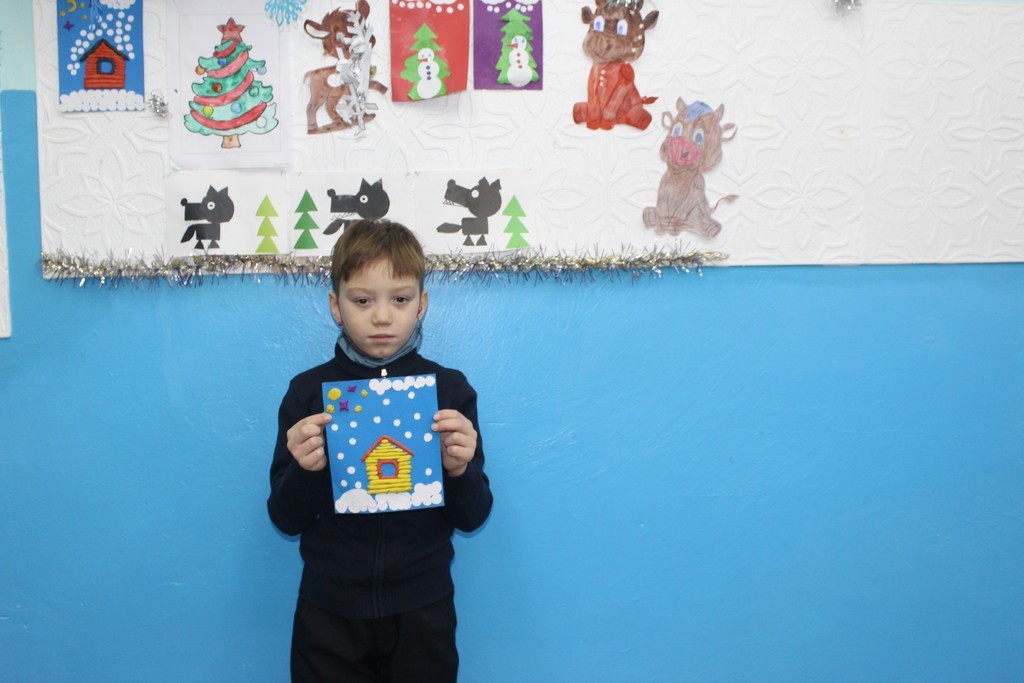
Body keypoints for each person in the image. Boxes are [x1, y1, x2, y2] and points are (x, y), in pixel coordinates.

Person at [267, 219, 493, 682]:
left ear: (422, 304)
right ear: (336, 306)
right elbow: (285, 519)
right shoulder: (307, 394)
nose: (383, 317)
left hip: (423, 609)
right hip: (329, 611)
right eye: (363, 300)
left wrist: (459, 469)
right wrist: (305, 470)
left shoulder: (448, 391)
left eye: (400, 299)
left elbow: (473, 515)